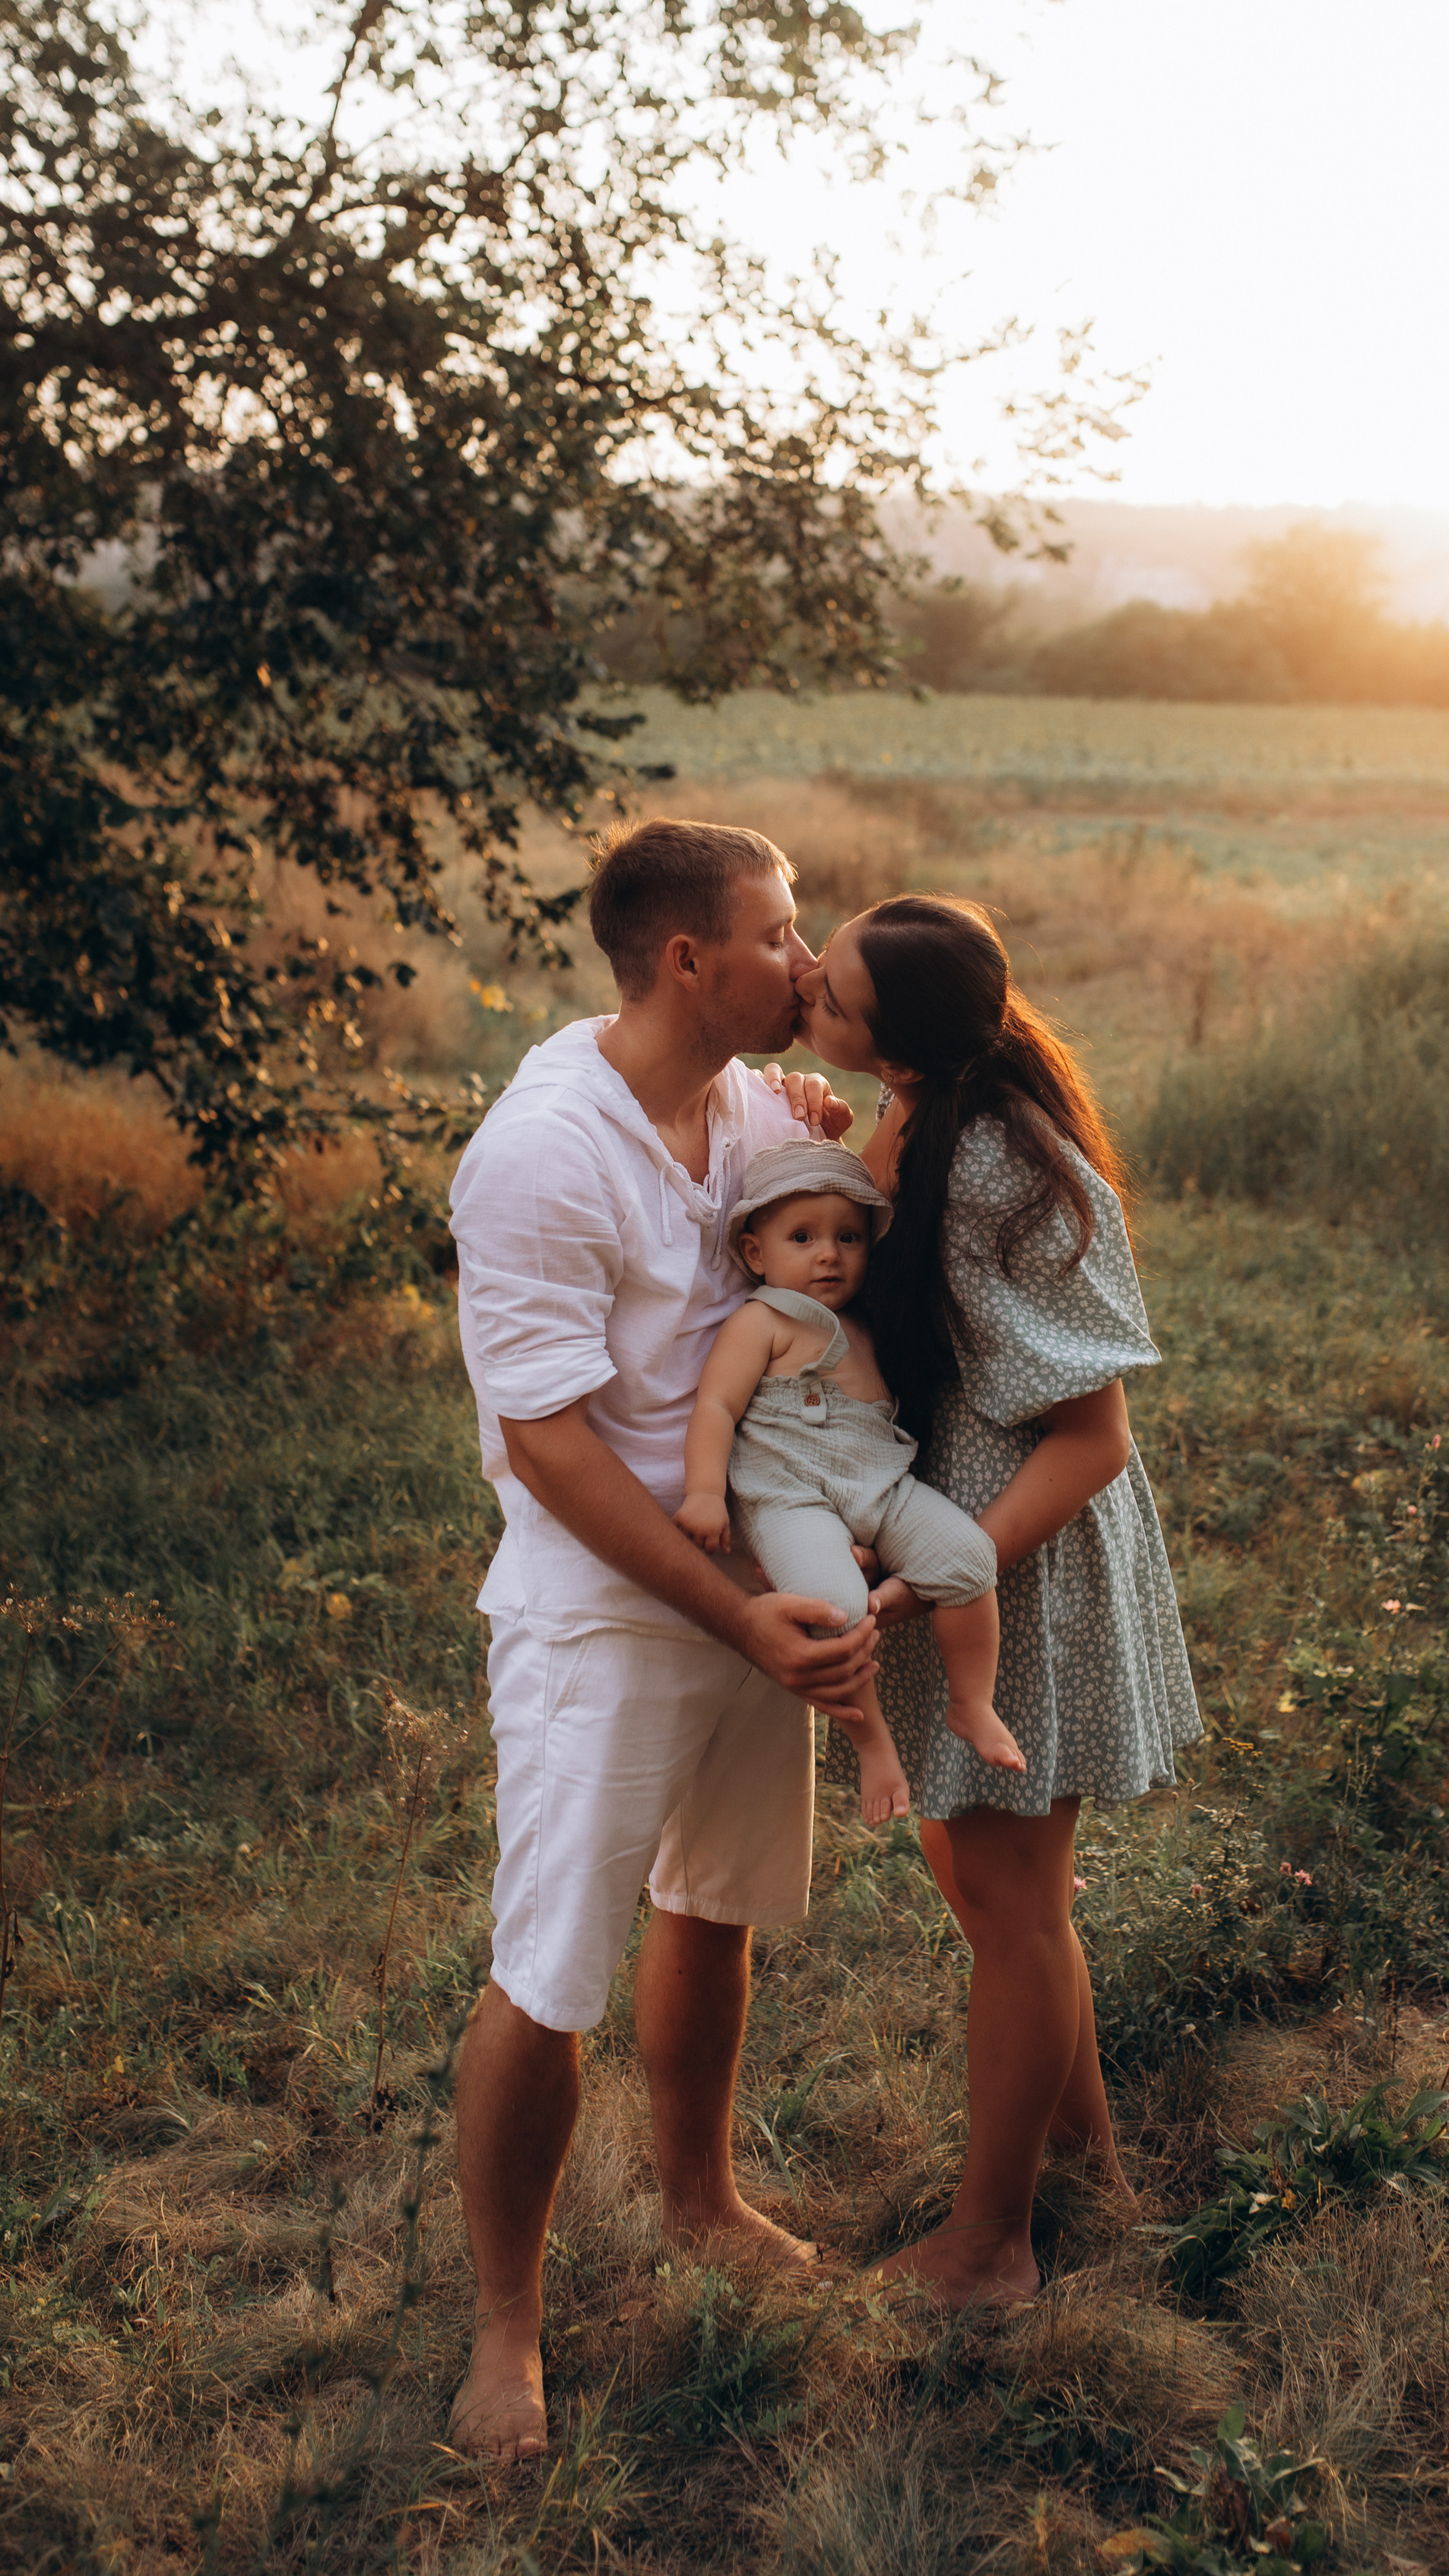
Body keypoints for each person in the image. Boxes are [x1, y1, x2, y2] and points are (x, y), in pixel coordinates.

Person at [444, 818, 874, 2460]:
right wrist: (742, 1619)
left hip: (747, 1598)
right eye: (779, 931)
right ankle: (504, 2332)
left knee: (712, 1910)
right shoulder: (543, 1150)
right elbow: (549, 1447)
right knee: (547, 1970)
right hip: (607, 1621)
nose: (806, 955)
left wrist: (839, 1120)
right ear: (687, 958)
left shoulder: (757, 1102)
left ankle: (698, 2198)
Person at [797, 892, 1202, 2307]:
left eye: (830, 991)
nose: (805, 986)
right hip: (944, 1526)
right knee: (981, 1881)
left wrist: (938, 1567)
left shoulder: (997, 1162)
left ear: (897, 1037)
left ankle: (991, 2244)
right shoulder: (910, 1115)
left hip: (1015, 1549)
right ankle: (1087, 2170)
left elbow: (1095, 1440)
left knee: (1016, 1900)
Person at [675, 1139, 1026, 1824]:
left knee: (968, 1558)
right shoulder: (762, 1321)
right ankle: (873, 1745)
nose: (828, 1254)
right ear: (755, 1254)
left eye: (848, 1237)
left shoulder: (868, 1324)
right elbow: (714, 1406)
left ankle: (972, 1701)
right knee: (830, 1612)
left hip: (880, 1484)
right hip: (789, 1495)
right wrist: (704, 1493)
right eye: (801, 1237)